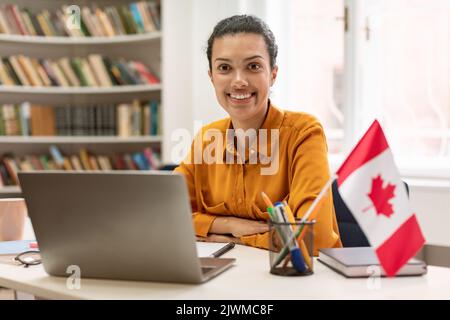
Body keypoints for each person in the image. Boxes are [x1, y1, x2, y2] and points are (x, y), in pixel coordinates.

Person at [174, 15, 341, 254]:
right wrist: (231, 225)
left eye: (253, 66)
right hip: (225, 283)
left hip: (295, 281)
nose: (239, 81)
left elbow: (312, 237)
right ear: (211, 77)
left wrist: (231, 237)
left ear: (273, 74)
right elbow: (170, 218)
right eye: (224, 68)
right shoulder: (206, 139)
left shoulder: (304, 133)